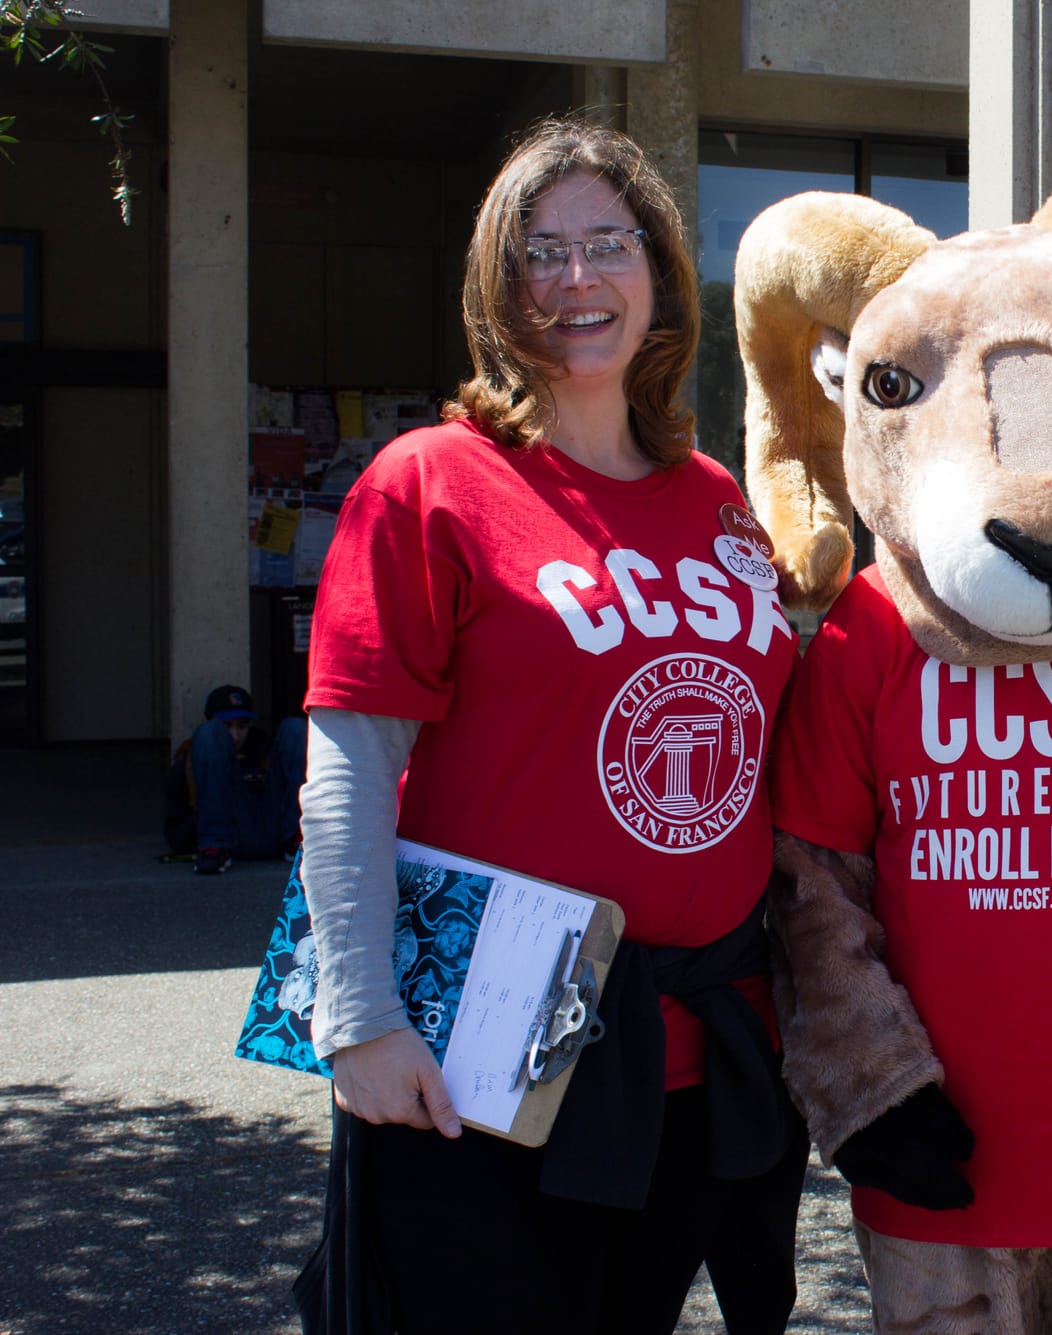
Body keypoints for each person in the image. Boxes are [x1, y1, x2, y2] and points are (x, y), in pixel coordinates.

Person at [294, 119, 805, 1334]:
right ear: (499, 286)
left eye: (609, 244)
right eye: (541, 251)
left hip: (696, 1051)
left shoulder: (717, 500)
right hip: (485, 1050)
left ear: (658, 274)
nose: (578, 277)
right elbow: (350, 764)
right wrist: (359, 1018)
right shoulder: (430, 481)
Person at [162, 683, 306, 874]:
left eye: (241, 726)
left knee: (295, 728)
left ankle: (297, 840)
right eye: (227, 726)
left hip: (277, 829)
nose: (234, 735)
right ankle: (214, 849)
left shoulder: (266, 750)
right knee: (208, 735)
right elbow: (176, 833)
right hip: (229, 833)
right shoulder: (191, 761)